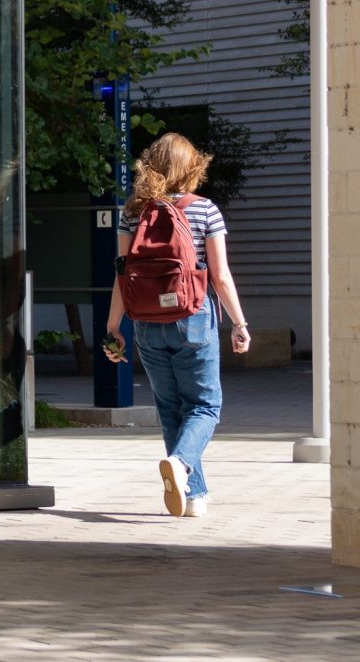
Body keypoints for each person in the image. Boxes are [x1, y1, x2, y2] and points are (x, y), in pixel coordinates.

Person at [103, 132, 250, 518]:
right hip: (193, 317)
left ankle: (194, 496)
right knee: (205, 406)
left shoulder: (132, 212)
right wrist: (239, 322)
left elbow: (122, 275)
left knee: (171, 409)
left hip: (147, 321)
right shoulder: (205, 210)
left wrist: (112, 328)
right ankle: (183, 465)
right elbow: (219, 276)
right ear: (191, 167)